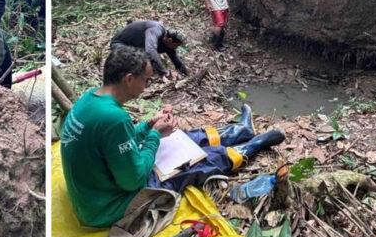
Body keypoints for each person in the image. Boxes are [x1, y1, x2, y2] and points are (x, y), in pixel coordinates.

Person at [60, 46, 284, 227]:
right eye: (145, 80)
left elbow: (116, 141)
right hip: (110, 207)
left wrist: (149, 126)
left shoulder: (91, 99)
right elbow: (133, 180)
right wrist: (155, 135)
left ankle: (240, 131)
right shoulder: (113, 118)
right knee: (194, 161)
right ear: (129, 79)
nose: (147, 86)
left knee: (180, 138)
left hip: (95, 195)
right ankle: (251, 146)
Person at [110, 20, 188, 80]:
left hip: (135, 47)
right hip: (119, 44)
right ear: (170, 40)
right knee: (139, 61)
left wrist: (185, 75)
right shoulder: (156, 29)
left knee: (147, 61)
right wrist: (165, 72)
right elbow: (150, 50)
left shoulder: (166, 42)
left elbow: (175, 58)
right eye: (176, 45)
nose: (176, 48)